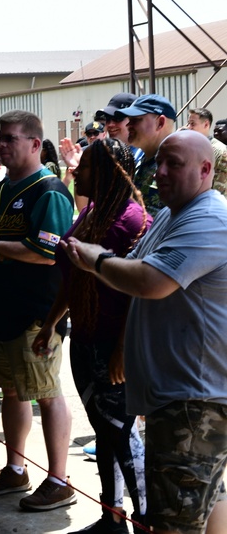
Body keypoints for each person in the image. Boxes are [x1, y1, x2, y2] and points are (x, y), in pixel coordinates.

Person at [59, 130, 227, 534]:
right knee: (206, 501)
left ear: (205, 170)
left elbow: (149, 280)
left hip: (194, 400)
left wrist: (97, 260)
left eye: (175, 164)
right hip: (179, 395)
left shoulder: (208, 219)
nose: (161, 173)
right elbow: (132, 266)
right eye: (160, 163)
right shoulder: (173, 213)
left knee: (173, 521)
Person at [0, 110, 76, 511]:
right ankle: (16, 468)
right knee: (11, 392)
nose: (2, 145)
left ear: (34, 144)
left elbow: (47, 254)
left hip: (34, 315)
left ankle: (59, 479)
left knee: (46, 393)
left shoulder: (50, 190)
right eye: (0, 139)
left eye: (10, 139)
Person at [31, 137, 150, 533]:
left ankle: (146, 519)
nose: (77, 171)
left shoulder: (133, 220)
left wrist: (121, 350)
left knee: (122, 435)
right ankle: (111, 518)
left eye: (85, 167)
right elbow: (72, 274)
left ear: (107, 173)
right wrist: (50, 323)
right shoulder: (92, 213)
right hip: (84, 337)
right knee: (105, 432)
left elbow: (140, 292)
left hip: (113, 345)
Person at [185, 107, 227, 195]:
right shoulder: (188, 149)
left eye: (192, 124)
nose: (189, 127)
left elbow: (220, 190)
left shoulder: (219, 151)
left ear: (206, 125)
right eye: (188, 123)